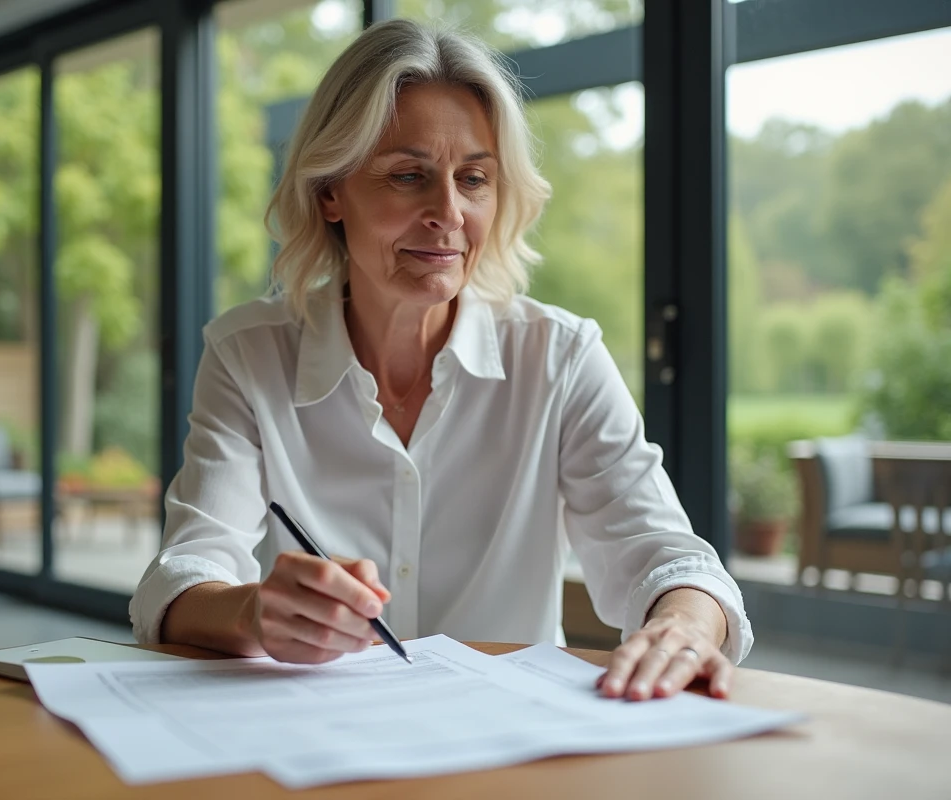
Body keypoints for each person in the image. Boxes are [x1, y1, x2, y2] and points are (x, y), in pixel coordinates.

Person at [131, 18, 752, 702]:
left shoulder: (560, 357)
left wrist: (683, 625)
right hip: (322, 728)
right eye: (408, 176)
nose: (449, 212)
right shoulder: (248, 354)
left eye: (474, 179)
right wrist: (253, 613)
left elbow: (667, 556)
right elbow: (182, 575)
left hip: (507, 733)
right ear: (330, 191)